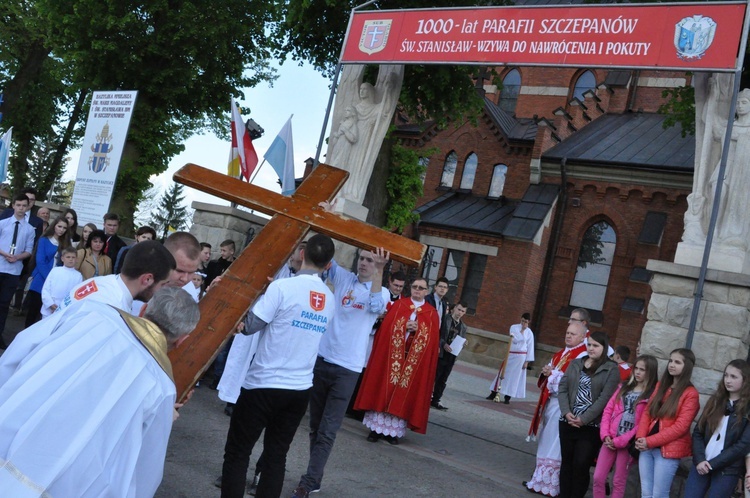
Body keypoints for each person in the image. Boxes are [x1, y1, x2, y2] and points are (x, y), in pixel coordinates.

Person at [0, 287, 199, 497]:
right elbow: (146, 467)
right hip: (71, 483)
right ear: (181, 340)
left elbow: (21, 348)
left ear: (144, 310)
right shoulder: (162, 388)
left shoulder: (89, 312)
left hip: (11, 428)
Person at [220, 234, 336, 498]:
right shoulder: (329, 298)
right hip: (299, 389)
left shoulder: (282, 288)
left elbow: (249, 326)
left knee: (238, 453)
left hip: (264, 383)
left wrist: (257, 296)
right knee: (276, 456)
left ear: (302, 254)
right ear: (328, 265)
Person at [292, 247, 389, 498]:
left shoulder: (381, 291)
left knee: (328, 429)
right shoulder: (345, 278)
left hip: (347, 369)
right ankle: (315, 477)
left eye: (370, 260)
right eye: (362, 258)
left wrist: (379, 270)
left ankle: (309, 480)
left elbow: (377, 307)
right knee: (314, 426)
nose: (364, 264)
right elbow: (323, 256)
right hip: (323, 359)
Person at [354, 276, 441, 442]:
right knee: (384, 389)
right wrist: (403, 327)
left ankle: (392, 432)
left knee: (404, 393)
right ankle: (375, 430)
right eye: (415, 286)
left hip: (412, 363)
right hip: (392, 358)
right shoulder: (399, 306)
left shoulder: (431, 314)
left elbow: (432, 342)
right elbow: (386, 330)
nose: (417, 290)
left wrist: (418, 330)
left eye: (421, 288)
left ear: (427, 291)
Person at [524, 309, 589, 497]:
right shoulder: (561, 353)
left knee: (556, 443)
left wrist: (552, 374)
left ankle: (551, 485)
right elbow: (553, 374)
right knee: (546, 440)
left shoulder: (581, 355)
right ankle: (539, 480)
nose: (569, 336)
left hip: (564, 406)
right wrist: (546, 372)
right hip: (551, 402)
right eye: (567, 333)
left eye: (573, 334)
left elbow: (572, 381)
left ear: (582, 335)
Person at [557, 331, 620, 498]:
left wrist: (583, 419)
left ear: (604, 347)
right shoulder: (576, 363)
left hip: (590, 426)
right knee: (567, 464)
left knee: (581, 465)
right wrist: (566, 412)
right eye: (589, 344)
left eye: (596, 345)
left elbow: (604, 399)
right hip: (567, 422)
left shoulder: (611, 369)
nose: (591, 348)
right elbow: (562, 388)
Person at [635, 348, 700, 498]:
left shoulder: (691, 394)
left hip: (667, 451)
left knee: (659, 494)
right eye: (671, 361)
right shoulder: (661, 386)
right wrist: (640, 437)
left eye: (677, 362)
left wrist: (649, 441)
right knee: (646, 492)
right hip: (646, 446)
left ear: (687, 366)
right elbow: (647, 412)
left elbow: (681, 427)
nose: (672, 365)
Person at [593, 355, 659, 498]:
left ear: (651, 372)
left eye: (643, 370)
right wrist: (605, 435)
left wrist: (621, 441)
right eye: (636, 368)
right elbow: (608, 410)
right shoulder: (623, 387)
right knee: (598, 477)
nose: (638, 372)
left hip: (627, 444)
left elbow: (644, 423)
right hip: (610, 439)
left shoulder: (651, 395)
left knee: (618, 480)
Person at [685, 359, 750, 498]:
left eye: (733, 377)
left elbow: (743, 445)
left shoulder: (747, 409)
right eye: (726, 375)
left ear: (745, 380)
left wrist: (712, 464)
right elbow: (698, 432)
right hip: (701, 464)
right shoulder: (715, 401)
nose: (728, 380)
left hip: (727, 470)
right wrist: (701, 459)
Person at [59, 240, 176, 313]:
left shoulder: (98, 282)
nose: (164, 290)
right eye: (164, 284)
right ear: (147, 279)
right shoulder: (115, 311)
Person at [0, 194, 36, 349]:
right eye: (18, 205)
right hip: (0, 265)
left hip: (14, 271)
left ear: (28, 207)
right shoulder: (2, 223)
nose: (21, 208)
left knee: (4, 304)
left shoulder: (29, 229)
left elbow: (28, 250)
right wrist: (4, 254)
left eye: (24, 205)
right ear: (13, 205)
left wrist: (17, 257)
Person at [25, 216, 72, 327]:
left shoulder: (66, 244)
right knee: (33, 312)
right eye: (59, 226)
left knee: (48, 316)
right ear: (54, 226)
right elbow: (40, 261)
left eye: (64, 228)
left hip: (57, 282)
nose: (61, 229)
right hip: (41, 279)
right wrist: (50, 278)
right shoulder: (44, 240)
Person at [488, 312, 535, 404]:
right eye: (522, 321)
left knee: (515, 377)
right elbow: (515, 340)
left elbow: (530, 346)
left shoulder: (529, 332)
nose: (523, 323)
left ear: (528, 322)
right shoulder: (514, 327)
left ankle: (508, 396)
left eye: (525, 322)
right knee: (503, 373)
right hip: (512, 354)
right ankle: (494, 393)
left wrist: (527, 361)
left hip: (521, 356)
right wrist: (522, 331)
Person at [431, 301, 468, 411]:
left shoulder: (463, 327)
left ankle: (436, 400)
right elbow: (438, 334)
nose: (460, 312)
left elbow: (461, 341)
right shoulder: (445, 319)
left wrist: (464, 343)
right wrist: (443, 344)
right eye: (459, 309)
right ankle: (426, 397)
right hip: (441, 353)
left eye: (462, 311)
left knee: (443, 379)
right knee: (435, 376)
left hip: (451, 356)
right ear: (454, 308)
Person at [40, 246, 82, 318]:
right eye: (68, 257)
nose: (71, 259)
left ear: (76, 259)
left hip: (65, 310)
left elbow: (75, 294)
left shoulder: (78, 275)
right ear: (62, 258)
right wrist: (50, 304)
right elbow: (46, 289)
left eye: (73, 257)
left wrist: (64, 308)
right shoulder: (55, 271)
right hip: (49, 308)